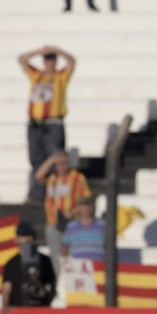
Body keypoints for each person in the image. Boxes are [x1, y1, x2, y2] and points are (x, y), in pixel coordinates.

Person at [18, 46, 76, 203]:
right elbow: (21, 60)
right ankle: (37, 194)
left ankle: (55, 193)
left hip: (53, 123)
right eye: (47, 59)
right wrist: (38, 52)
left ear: (56, 61)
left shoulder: (60, 77)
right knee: (35, 159)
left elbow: (72, 62)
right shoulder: (37, 75)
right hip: (35, 124)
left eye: (52, 59)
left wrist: (57, 50)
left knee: (55, 157)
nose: (49, 62)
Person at [35, 150, 91, 276]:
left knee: (71, 253)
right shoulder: (51, 178)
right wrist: (51, 160)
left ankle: (72, 278)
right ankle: (61, 279)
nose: (62, 166)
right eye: (59, 164)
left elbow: (86, 198)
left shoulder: (76, 177)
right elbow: (38, 176)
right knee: (56, 254)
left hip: (71, 222)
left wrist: (73, 211)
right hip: (53, 222)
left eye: (64, 163)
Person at [2, 223, 56, 314]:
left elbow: (52, 286)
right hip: (17, 309)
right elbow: (7, 289)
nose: (27, 239)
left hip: (40, 310)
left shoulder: (45, 260)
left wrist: (46, 305)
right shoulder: (12, 263)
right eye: (23, 236)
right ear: (17, 239)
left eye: (29, 236)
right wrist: (5, 311)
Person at [61, 196, 106, 261]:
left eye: (87, 205)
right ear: (78, 208)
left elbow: (110, 245)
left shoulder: (102, 224)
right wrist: (65, 261)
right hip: (78, 266)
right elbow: (64, 246)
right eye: (82, 206)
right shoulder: (71, 226)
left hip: (99, 265)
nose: (85, 208)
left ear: (92, 207)